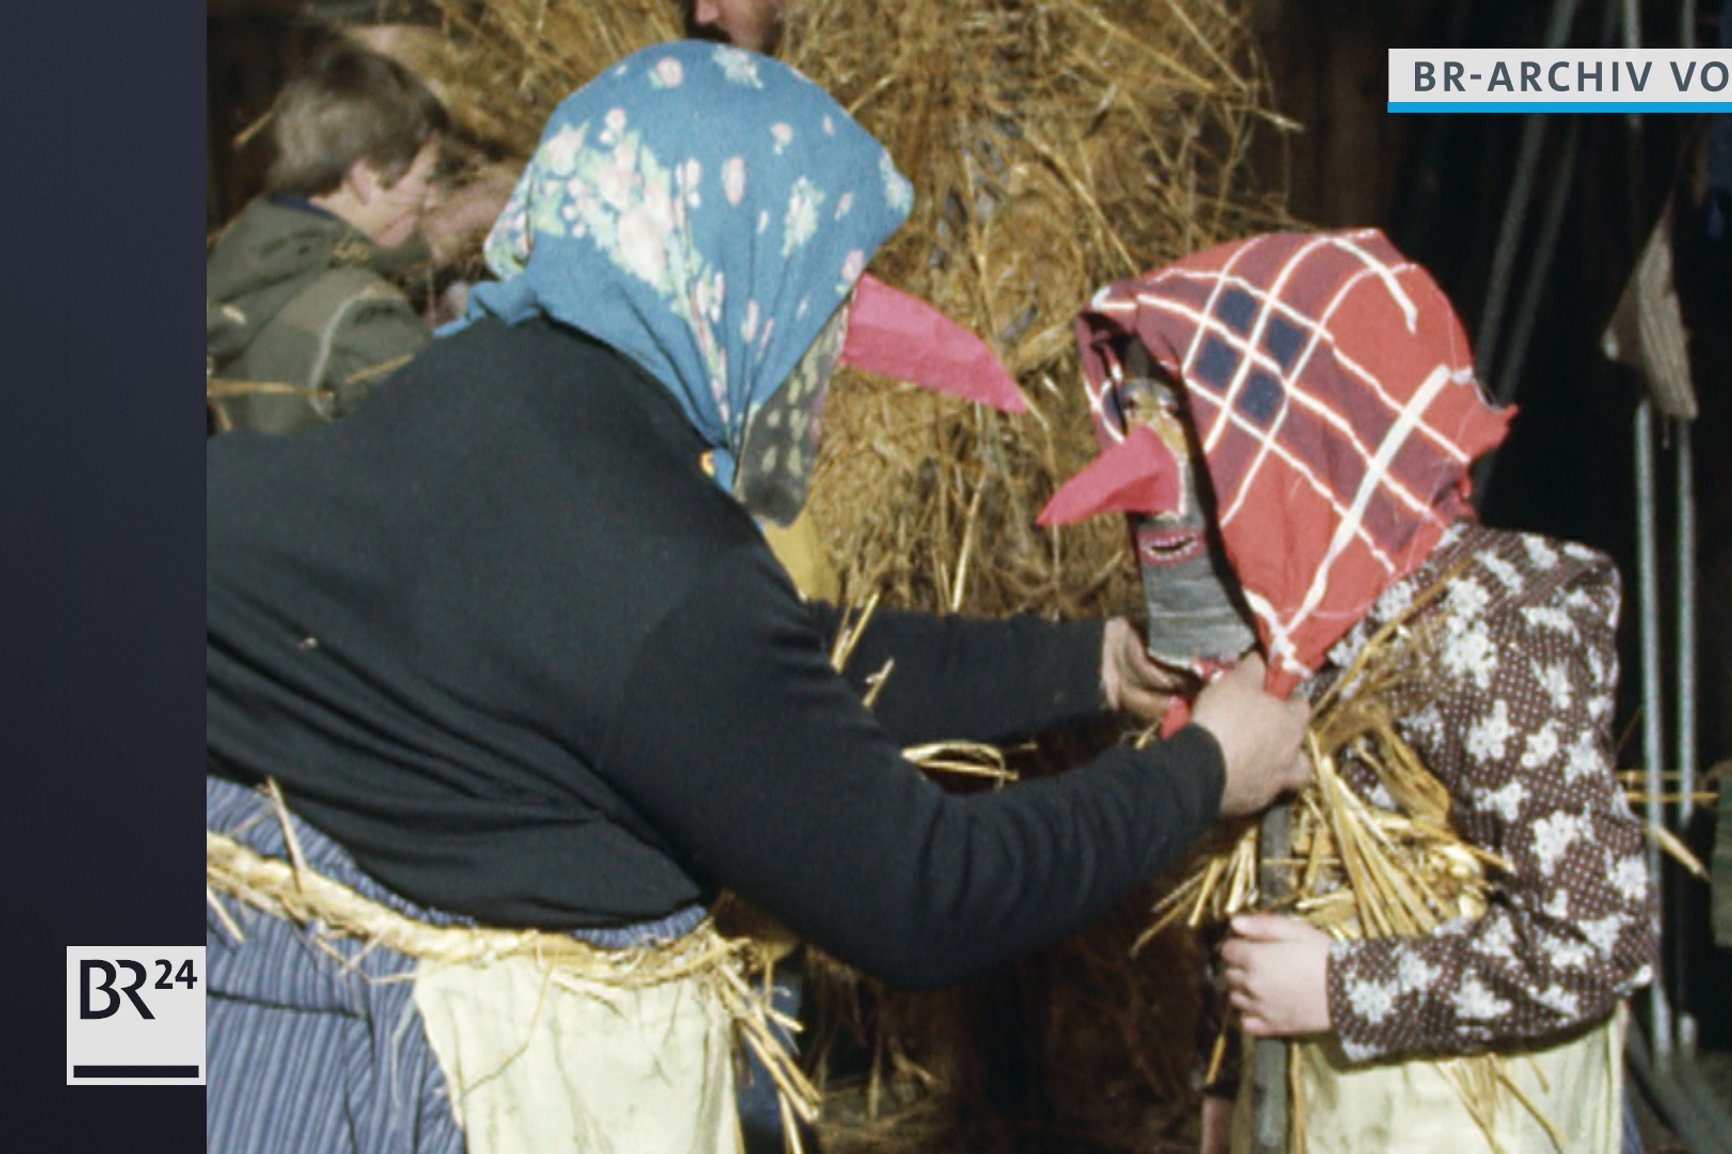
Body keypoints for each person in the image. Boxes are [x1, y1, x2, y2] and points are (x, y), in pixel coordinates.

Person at [205, 42, 1311, 1154]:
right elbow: (920, 891)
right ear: (733, 273)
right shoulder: (658, 561)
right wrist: (1202, 769)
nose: (829, 346)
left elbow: (746, 682)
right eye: (820, 289)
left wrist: (1088, 665)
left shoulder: (474, 392)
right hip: (431, 1094)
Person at [1040, 229, 1660, 1154]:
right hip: (1327, 1112)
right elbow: (1264, 885)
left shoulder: (1484, 637)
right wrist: (1231, 1082)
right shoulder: (1290, 630)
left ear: (1309, 440)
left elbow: (1604, 932)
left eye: (1191, 427)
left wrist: (1342, 989)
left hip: (1469, 1121)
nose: (1153, 476)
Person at [206, 39, 507, 435]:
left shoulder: (240, 251)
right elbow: (457, 444)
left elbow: (336, 256)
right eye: (427, 178)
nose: (433, 199)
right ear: (366, 177)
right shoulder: (363, 325)